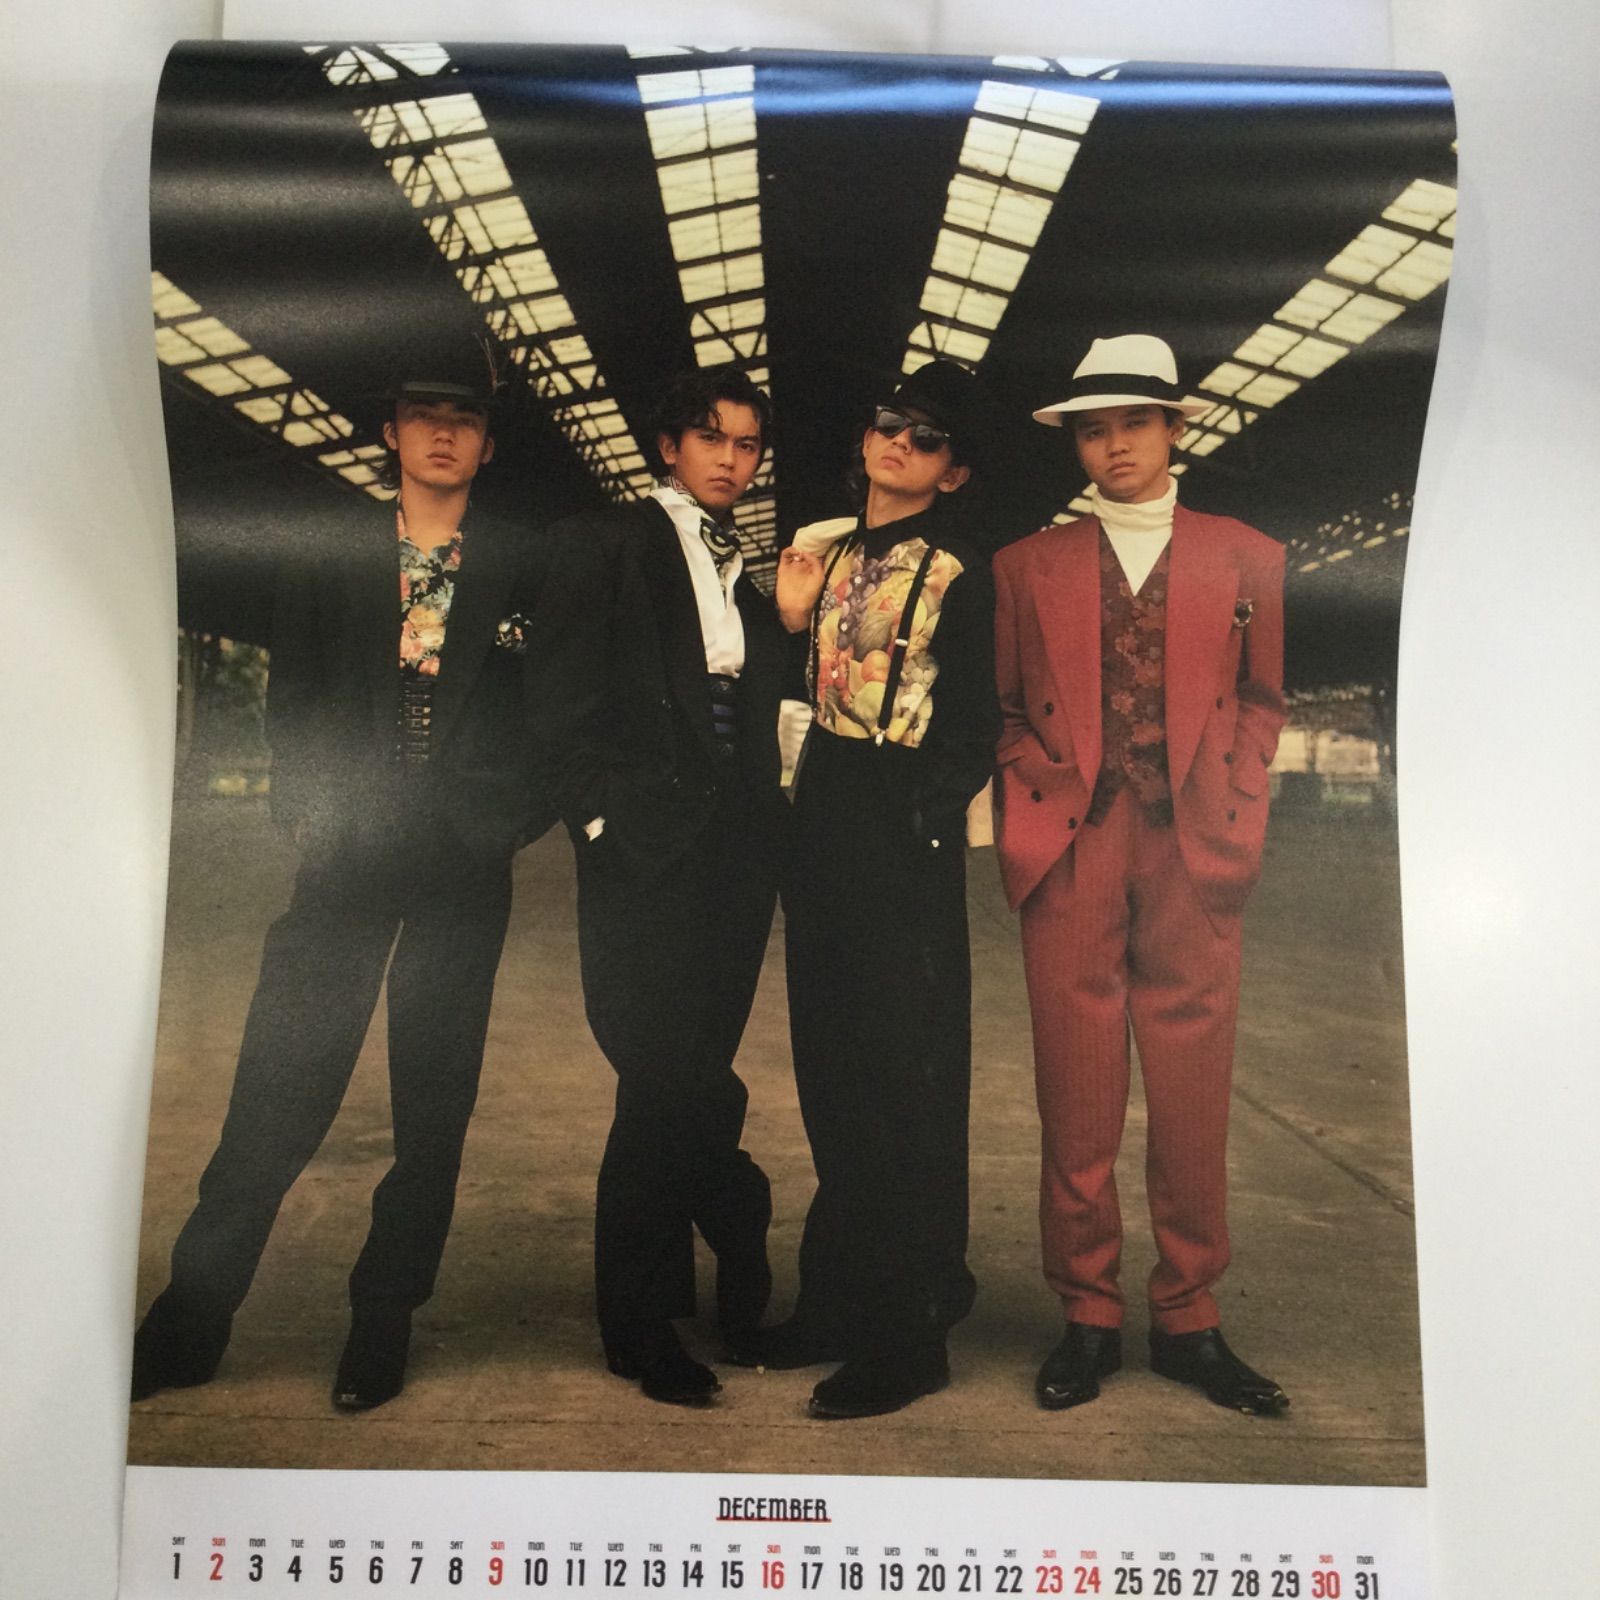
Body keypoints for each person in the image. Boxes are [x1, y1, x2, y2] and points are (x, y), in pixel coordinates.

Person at [132, 343, 554, 1412]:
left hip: (462, 860)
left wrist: (510, 820)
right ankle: (193, 1315)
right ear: (391, 431)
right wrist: (310, 810)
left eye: (465, 417)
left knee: (433, 1104)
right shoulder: (331, 554)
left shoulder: (523, 564)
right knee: (278, 1082)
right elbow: (298, 698)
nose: (444, 432)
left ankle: (383, 1319)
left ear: (488, 444)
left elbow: (557, 709)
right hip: (350, 851)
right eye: (424, 413)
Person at [992, 333, 1289, 1415]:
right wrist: (1035, 779)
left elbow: (1263, 699)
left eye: (1132, 424)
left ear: (1173, 428)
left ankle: (1188, 1315)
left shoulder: (1248, 555)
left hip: (1195, 839)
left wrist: (1236, 786)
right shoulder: (1025, 566)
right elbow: (1007, 705)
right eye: (1091, 430)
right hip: (1072, 839)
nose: (1113, 446)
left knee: (1192, 1092)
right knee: (1076, 1092)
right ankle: (1087, 1312)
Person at [533, 365, 786, 1407]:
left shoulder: (750, 577)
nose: (731, 459)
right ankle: (658, 1305)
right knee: (658, 1073)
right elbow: (556, 701)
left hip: (736, 856)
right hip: (642, 847)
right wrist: (600, 823)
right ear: (668, 446)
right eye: (711, 437)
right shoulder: (604, 544)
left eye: (747, 444)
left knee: (684, 1073)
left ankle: (669, 1292)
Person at [753, 358, 1000, 1420]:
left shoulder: (961, 573)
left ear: (953, 472)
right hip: (821, 817)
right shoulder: (823, 554)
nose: (901, 442)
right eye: (890, 423)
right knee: (830, 1071)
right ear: (864, 438)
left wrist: (926, 818)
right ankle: (835, 1301)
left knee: (906, 1079)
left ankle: (910, 1333)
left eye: (927, 437)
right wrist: (788, 620)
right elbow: (786, 694)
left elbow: (978, 719)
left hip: (901, 825)